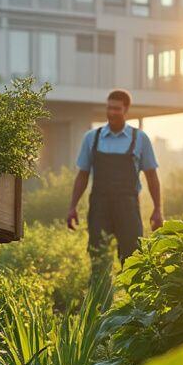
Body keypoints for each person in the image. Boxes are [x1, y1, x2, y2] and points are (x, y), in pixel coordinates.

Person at [66, 90, 163, 269]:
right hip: (99, 208)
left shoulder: (140, 139)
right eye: (109, 108)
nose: (111, 113)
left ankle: (132, 297)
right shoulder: (91, 138)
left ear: (126, 110)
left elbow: (152, 176)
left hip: (128, 208)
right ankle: (102, 296)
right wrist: (72, 207)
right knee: (98, 258)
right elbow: (83, 175)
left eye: (116, 109)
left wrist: (157, 209)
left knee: (133, 260)